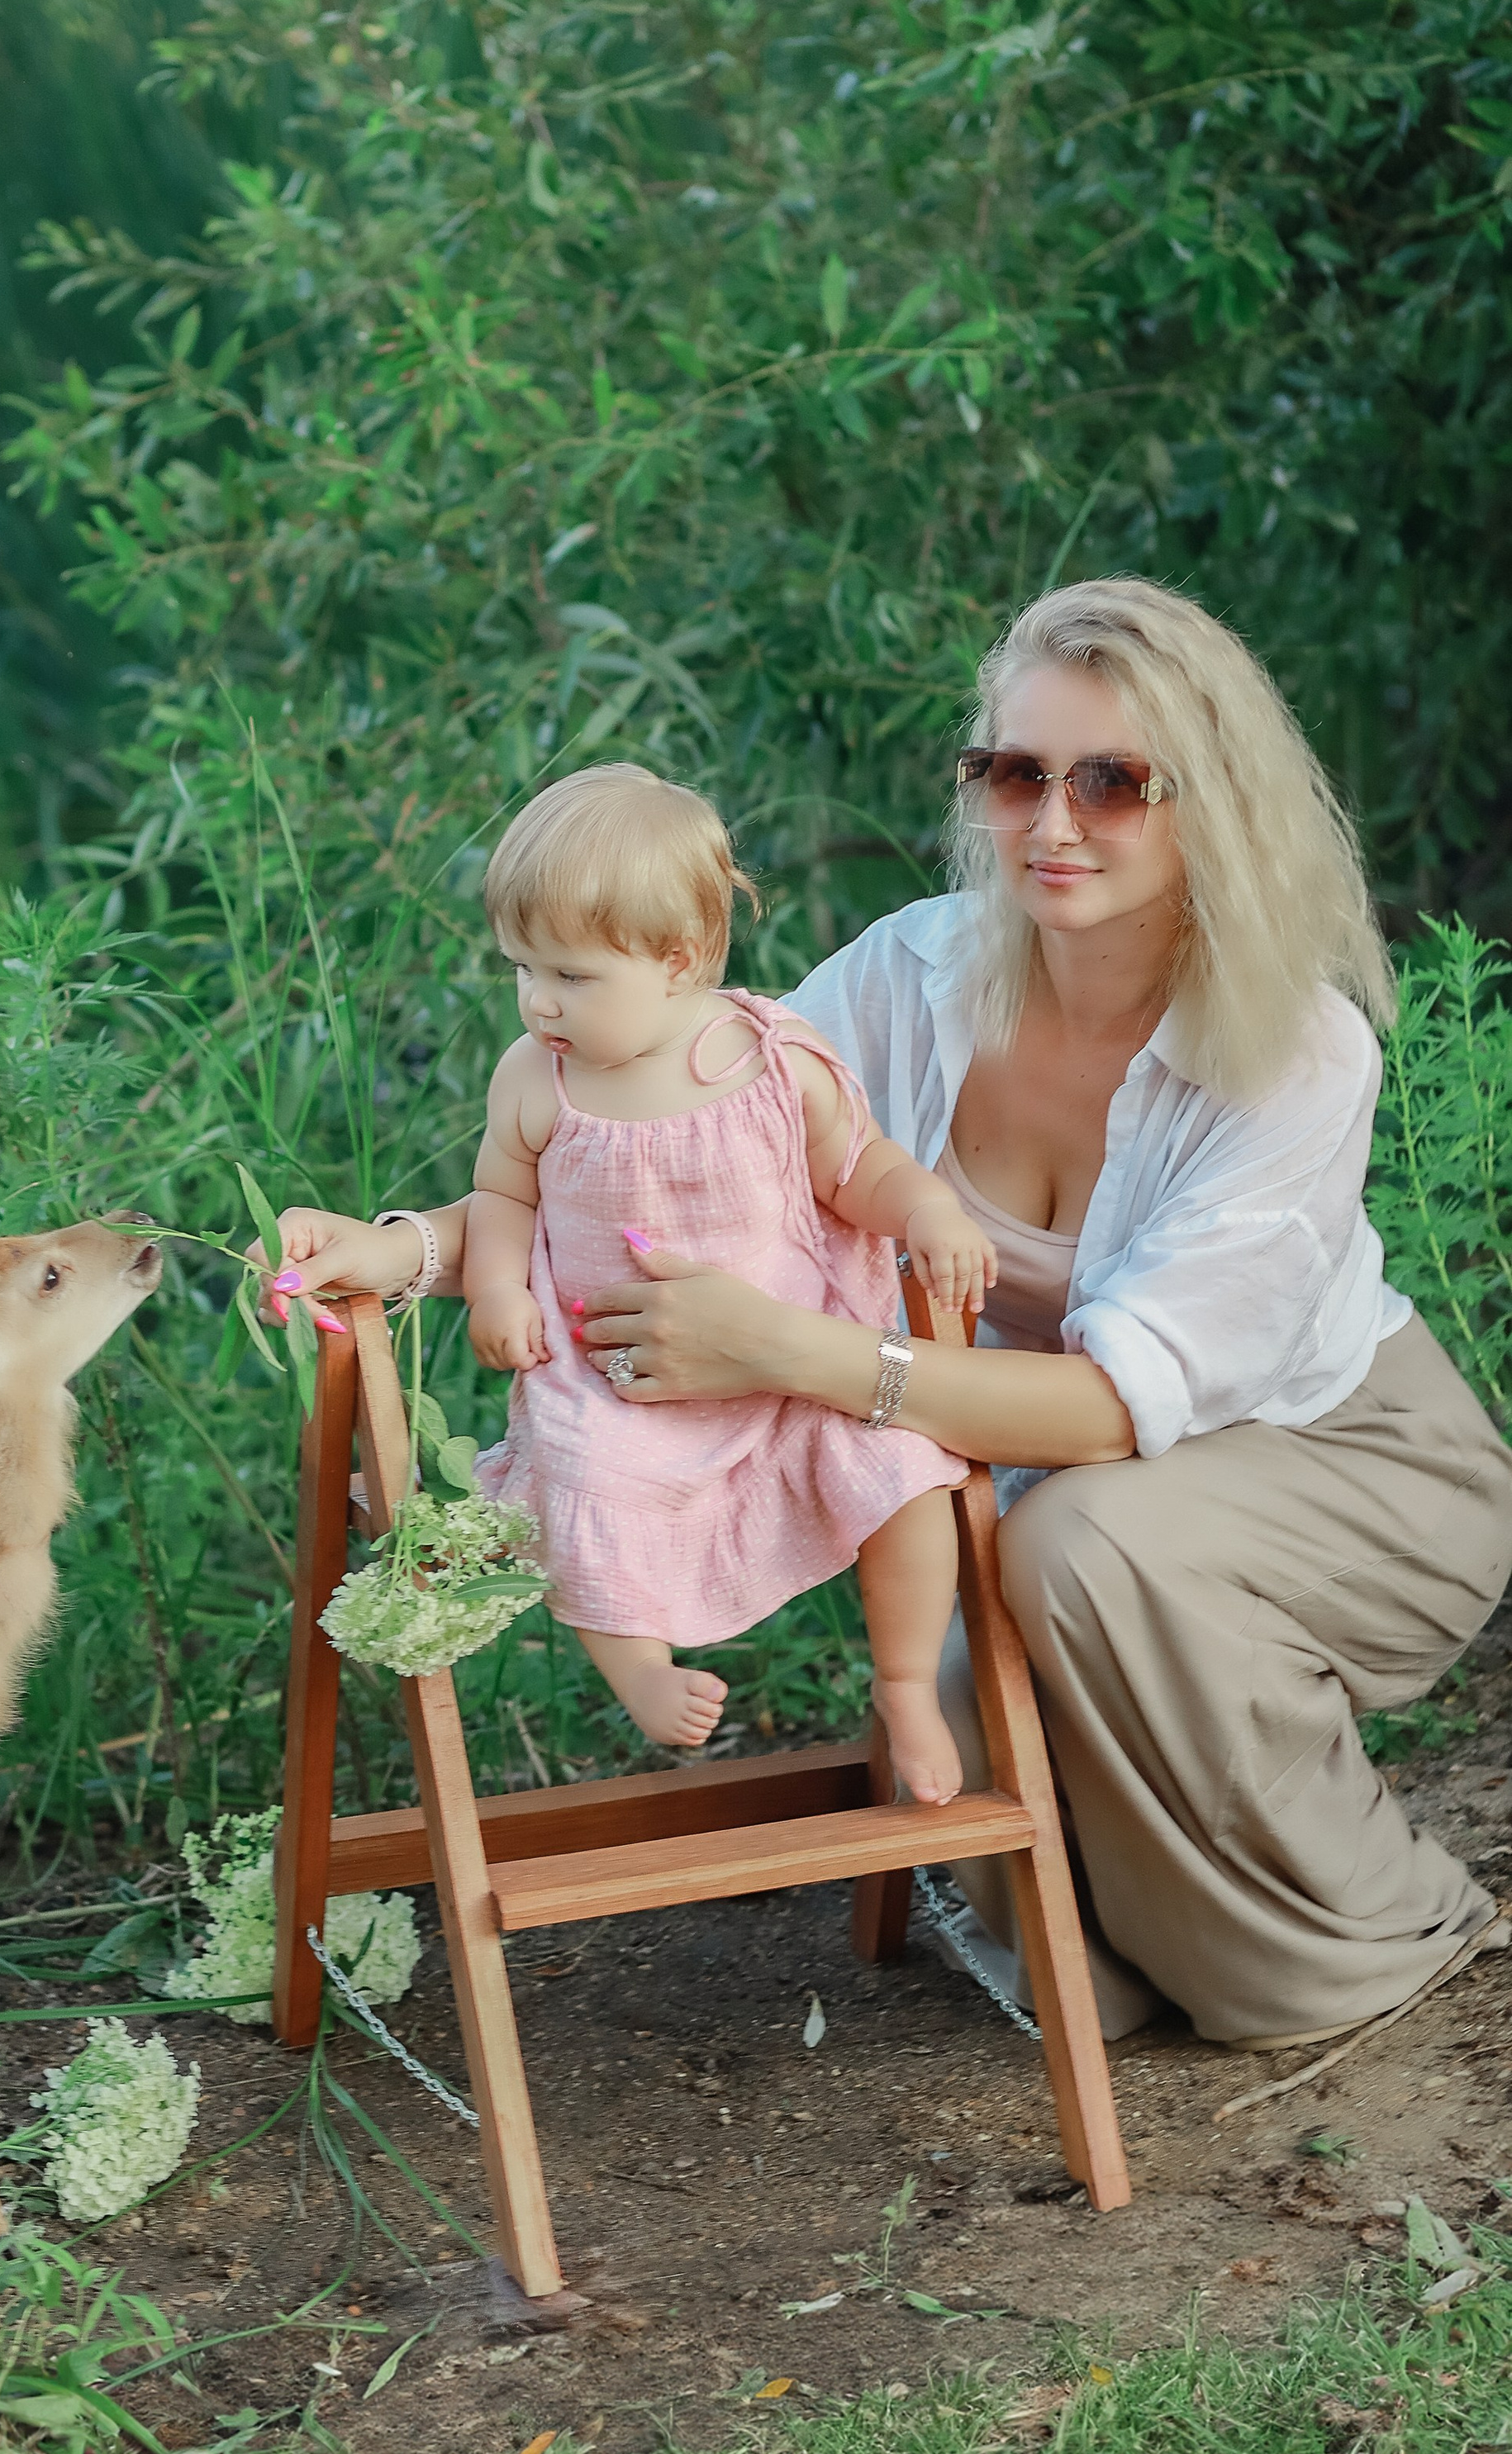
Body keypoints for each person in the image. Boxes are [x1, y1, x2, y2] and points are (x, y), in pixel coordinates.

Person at [273, 578, 1512, 2047]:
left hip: (1334, 1456)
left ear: (1214, 800)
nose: (1054, 824)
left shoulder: (1293, 1050)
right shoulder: (910, 974)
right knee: (1002, 1588)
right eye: (1014, 772)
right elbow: (648, 1159)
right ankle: (1102, 1940)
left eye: (1114, 781)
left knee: (1074, 1552)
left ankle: (1346, 1930)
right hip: (992, 1458)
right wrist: (408, 1252)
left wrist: (791, 1352)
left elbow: (1118, 1406)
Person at [454, 764, 989, 1776]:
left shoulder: (770, 1060)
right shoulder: (536, 1081)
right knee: (577, 1484)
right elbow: (502, 1198)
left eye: (571, 976)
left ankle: (909, 1686)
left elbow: (854, 1171)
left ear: (678, 957)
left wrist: (928, 1205)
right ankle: (641, 1671)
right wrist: (494, 1285)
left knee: (909, 1472)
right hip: (620, 1386)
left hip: (794, 1369)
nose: (538, 1002)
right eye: (521, 968)